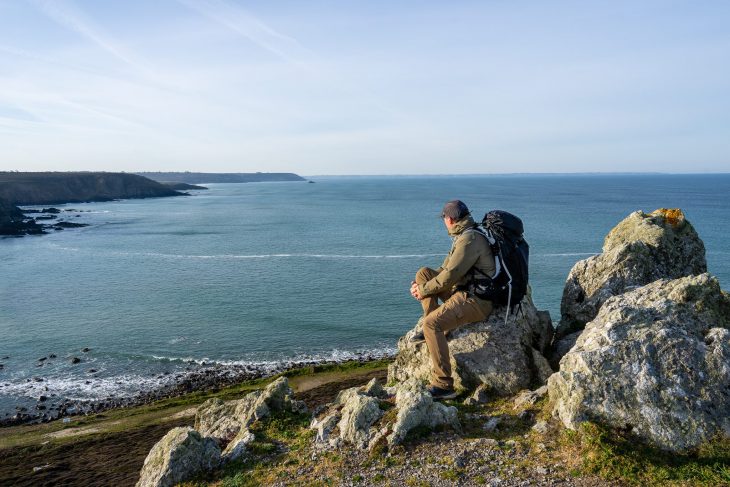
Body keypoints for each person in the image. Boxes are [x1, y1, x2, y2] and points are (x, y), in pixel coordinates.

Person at [409, 200, 495, 400]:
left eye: (444, 219)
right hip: (465, 291)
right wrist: (422, 285)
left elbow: (449, 277)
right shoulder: (463, 235)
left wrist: (422, 291)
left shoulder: (469, 239)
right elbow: (443, 271)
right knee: (424, 273)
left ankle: (444, 385)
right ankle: (438, 331)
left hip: (477, 300)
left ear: (449, 219)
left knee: (431, 324)